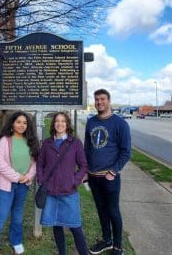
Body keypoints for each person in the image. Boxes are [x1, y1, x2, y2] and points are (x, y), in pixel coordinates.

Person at [0, 111, 39, 255]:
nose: (21, 125)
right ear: (12, 123)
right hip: (5, 186)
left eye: (25, 123)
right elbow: (0, 163)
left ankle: (16, 240)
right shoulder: (5, 140)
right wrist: (17, 177)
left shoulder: (30, 141)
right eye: (18, 122)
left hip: (23, 185)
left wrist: (27, 177)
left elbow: (35, 163)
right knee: (1, 216)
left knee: (17, 215)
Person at [84, 89, 131, 255]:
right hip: (93, 177)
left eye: (102, 99)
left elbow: (126, 152)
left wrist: (113, 171)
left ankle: (118, 246)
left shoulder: (120, 124)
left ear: (109, 101)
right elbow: (87, 148)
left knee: (113, 211)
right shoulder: (91, 122)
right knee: (101, 210)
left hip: (109, 178)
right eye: (96, 100)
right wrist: (85, 171)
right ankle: (106, 240)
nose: (99, 102)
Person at [37, 112, 88, 255]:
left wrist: (75, 180)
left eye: (63, 121)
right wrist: (41, 179)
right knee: (56, 225)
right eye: (57, 121)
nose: (60, 124)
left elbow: (83, 165)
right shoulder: (47, 143)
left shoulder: (75, 143)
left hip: (68, 192)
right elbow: (40, 164)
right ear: (53, 124)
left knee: (75, 227)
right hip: (51, 192)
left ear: (67, 124)